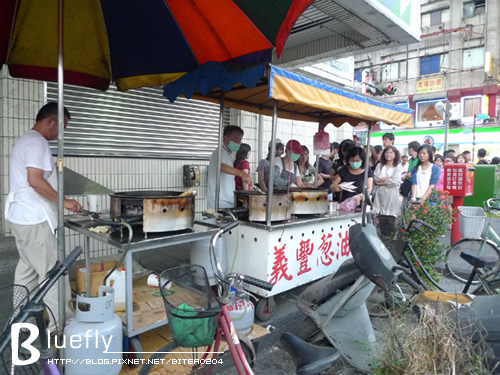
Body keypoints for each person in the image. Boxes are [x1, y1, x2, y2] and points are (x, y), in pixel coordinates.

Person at [5, 102, 83, 331]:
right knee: (53, 273)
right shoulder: (37, 142)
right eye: (62, 127)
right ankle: (62, 326)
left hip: (22, 219)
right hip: (35, 221)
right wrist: (64, 202)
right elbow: (35, 180)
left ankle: (21, 321)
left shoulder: (26, 140)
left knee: (27, 271)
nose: (60, 134)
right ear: (51, 121)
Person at [207, 125, 252, 209]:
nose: (238, 143)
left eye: (239, 140)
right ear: (225, 138)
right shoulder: (220, 152)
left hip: (226, 201)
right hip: (219, 202)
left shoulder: (228, 155)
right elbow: (222, 167)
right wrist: (243, 174)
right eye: (235, 139)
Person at [372, 146, 404, 216]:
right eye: (387, 152)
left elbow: (395, 181)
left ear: (395, 155)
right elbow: (376, 177)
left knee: (391, 218)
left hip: (392, 195)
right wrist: (389, 179)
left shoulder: (398, 167)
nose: (388, 154)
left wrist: (380, 183)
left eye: (391, 153)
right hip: (380, 194)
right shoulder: (380, 165)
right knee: (379, 217)